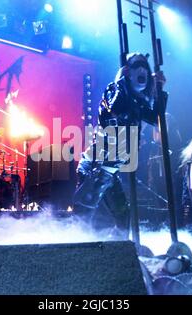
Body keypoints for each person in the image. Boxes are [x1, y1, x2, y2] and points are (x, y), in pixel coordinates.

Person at [73, 53, 166, 238]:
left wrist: (159, 89)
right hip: (96, 166)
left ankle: (116, 252)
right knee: (84, 216)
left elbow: (156, 119)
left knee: (123, 216)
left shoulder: (137, 102)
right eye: (137, 65)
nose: (142, 69)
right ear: (127, 73)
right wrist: (121, 80)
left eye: (145, 67)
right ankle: (74, 252)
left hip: (110, 171)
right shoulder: (114, 90)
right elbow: (115, 109)